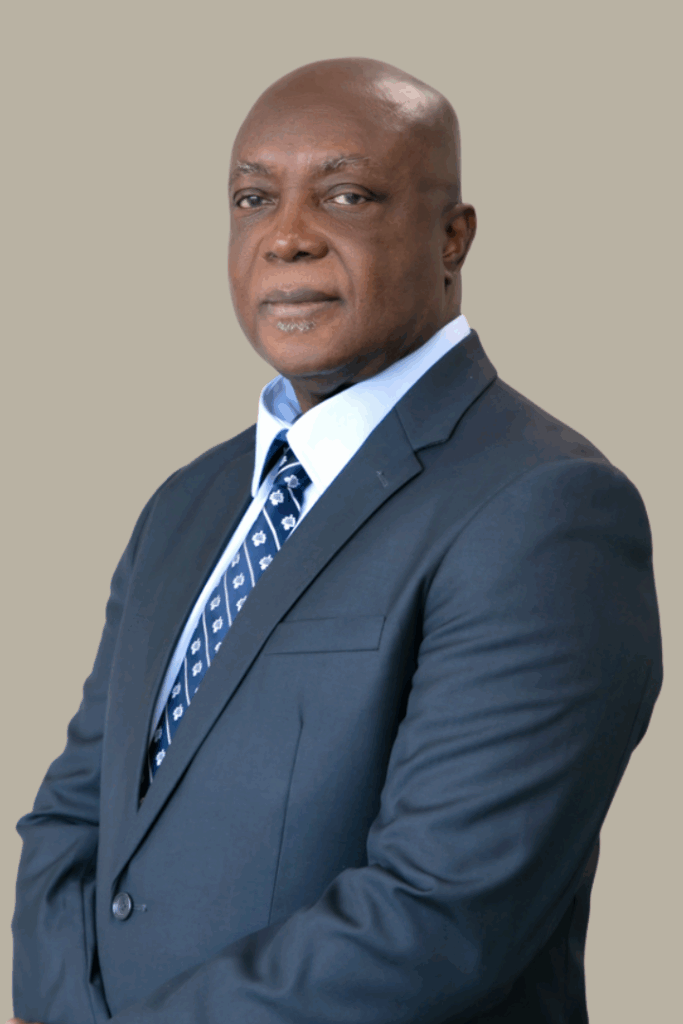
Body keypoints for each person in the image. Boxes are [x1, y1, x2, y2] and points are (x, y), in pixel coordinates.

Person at [10, 57, 662, 1024]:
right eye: (252, 199)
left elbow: (440, 915)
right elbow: (74, 815)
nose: (287, 237)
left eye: (346, 195)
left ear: (452, 237)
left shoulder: (546, 510)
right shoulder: (186, 503)